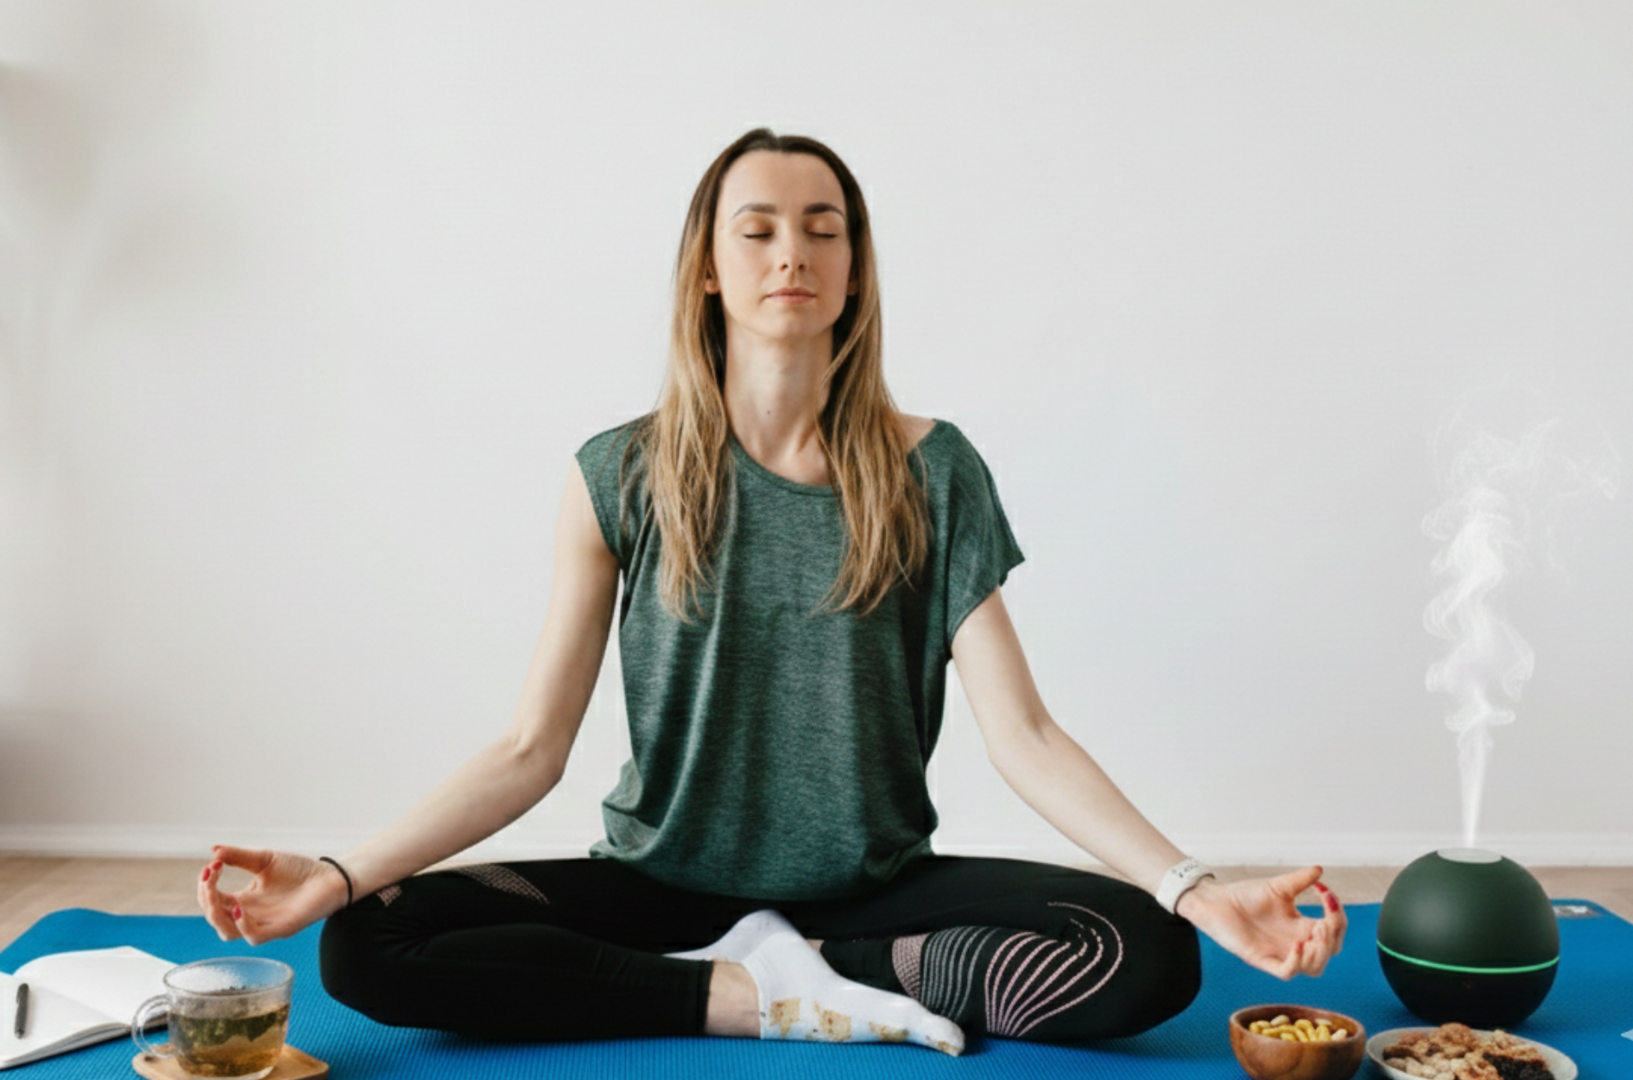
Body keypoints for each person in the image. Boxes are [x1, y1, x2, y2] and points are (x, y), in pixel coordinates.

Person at [198, 127, 1347, 1055]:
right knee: (368, 940)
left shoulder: (933, 471)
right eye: (757, 229)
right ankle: (749, 996)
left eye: (822, 228)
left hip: (877, 892)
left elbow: (1027, 736)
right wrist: (341, 871)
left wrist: (1195, 887)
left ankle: (830, 971)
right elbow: (529, 749)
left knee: (1148, 953)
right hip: (659, 886)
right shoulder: (618, 474)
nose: (790, 250)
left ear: (853, 270)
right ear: (711, 265)